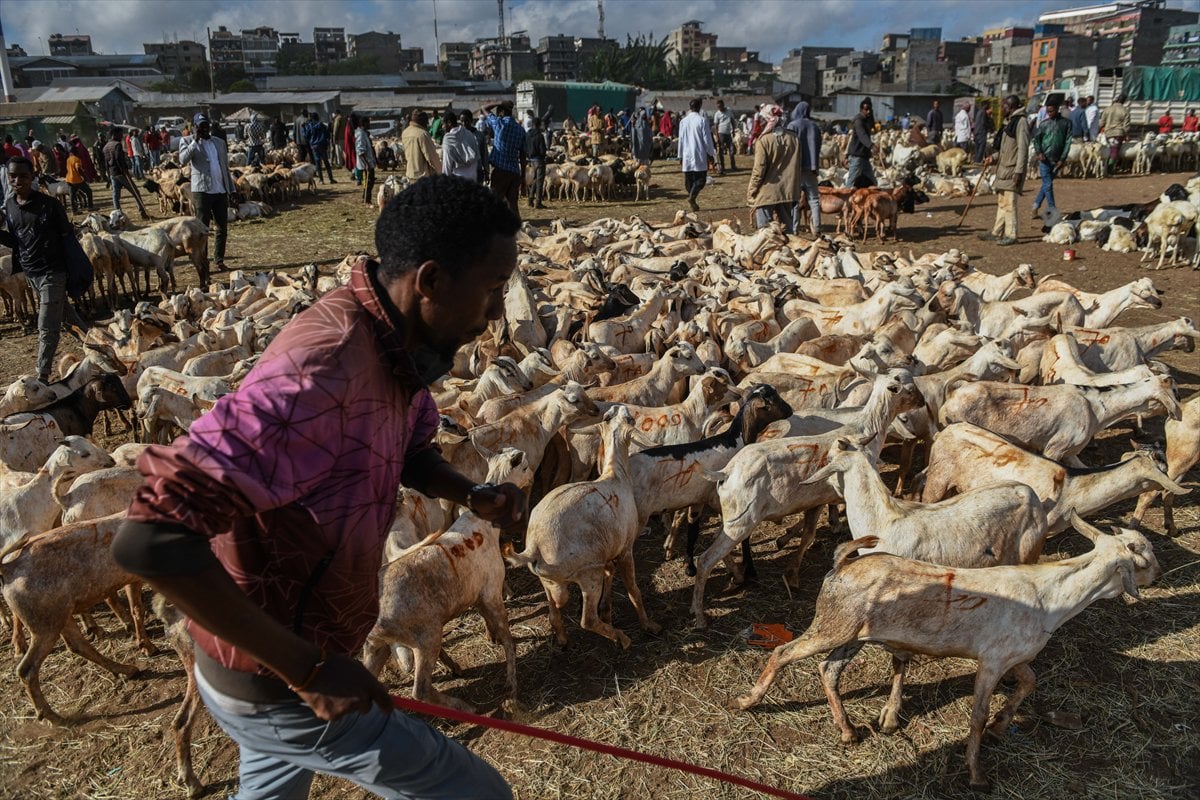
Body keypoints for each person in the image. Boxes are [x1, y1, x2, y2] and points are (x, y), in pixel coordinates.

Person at [110, 175, 522, 800]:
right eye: (493, 292)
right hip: (281, 687)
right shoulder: (324, 369)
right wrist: (307, 671)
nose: (497, 316)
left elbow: (407, 450)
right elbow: (149, 540)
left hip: (284, 668)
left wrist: (469, 494)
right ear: (431, 281)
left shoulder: (396, 344)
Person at [0, 157, 87, 380]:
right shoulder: (10, 205)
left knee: (47, 326)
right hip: (31, 274)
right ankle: (100, 349)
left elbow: (68, 238)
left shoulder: (49, 206)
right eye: (13, 176)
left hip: (53, 272)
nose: (18, 180)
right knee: (69, 320)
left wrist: (75, 270)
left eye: (23, 176)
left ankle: (42, 376)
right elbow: (17, 241)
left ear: (33, 177)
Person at [179, 113, 234, 284]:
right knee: (203, 230)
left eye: (205, 125)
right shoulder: (188, 141)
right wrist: (195, 140)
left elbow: (224, 166)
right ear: (194, 126)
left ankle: (219, 259)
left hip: (220, 189)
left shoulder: (219, 142)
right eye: (200, 126)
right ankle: (203, 262)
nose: (204, 128)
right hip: (202, 191)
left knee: (222, 227)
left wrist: (230, 187)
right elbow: (182, 160)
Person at [979, 95, 1029, 247]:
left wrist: (1018, 172)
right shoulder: (1010, 122)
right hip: (1003, 169)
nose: (1002, 109)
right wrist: (992, 158)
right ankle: (996, 232)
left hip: (1012, 170)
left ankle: (1011, 234)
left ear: (1011, 106)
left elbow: (1023, 149)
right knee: (1002, 202)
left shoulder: (1021, 122)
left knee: (1010, 203)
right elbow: (1005, 150)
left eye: (1004, 106)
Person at [746, 104, 799, 233]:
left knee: (765, 232)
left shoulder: (763, 141)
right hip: (787, 190)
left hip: (767, 191)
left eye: (763, 119)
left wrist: (752, 190)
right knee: (787, 230)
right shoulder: (794, 138)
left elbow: (759, 170)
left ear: (768, 119)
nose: (761, 123)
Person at [481, 100, 526, 219]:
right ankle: (516, 230)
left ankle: (493, 231)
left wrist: (499, 101)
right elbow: (522, 154)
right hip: (514, 172)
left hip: (500, 170)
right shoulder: (520, 130)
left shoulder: (498, 123)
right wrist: (523, 176)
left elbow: (484, 108)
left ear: (501, 112)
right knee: (513, 204)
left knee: (495, 202)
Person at [787, 101, 823, 235]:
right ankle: (817, 228)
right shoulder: (814, 126)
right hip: (811, 168)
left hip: (796, 168)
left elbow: (789, 145)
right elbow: (818, 146)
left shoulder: (792, 125)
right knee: (814, 200)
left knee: (795, 200)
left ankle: (794, 229)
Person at [1031, 101, 1071, 222]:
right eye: (1047, 111)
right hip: (1044, 159)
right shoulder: (1044, 124)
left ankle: (1035, 206)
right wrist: (1039, 153)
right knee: (1048, 185)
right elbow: (1036, 140)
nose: (1049, 114)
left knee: (1046, 185)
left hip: (1057, 159)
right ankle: (1052, 211)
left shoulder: (1066, 123)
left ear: (1057, 109)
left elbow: (1068, 141)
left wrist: (1062, 159)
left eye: (1051, 111)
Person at [678, 97, 715, 212]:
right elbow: (707, 139)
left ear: (690, 107)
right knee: (701, 179)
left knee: (689, 180)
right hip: (699, 152)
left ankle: (692, 198)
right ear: (699, 107)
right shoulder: (702, 120)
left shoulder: (683, 121)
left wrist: (680, 155)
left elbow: (681, 139)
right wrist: (710, 153)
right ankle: (692, 198)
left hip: (687, 153)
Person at [845, 99, 877, 187]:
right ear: (861, 109)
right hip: (857, 156)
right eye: (866, 109)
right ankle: (846, 198)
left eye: (869, 109)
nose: (868, 111)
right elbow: (862, 135)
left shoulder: (866, 120)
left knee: (872, 181)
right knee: (851, 181)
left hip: (864, 156)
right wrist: (871, 145)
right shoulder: (858, 120)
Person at [402, 110, 442, 181]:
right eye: (426, 122)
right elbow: (431, 157)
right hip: (423, 178)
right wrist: (441, 172)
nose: (427, 125)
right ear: (422, 122)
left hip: (410, 174)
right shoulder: (422, 134)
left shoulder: (405, 132)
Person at [440, 111, 479, 182]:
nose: (442, 127)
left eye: (443, 124)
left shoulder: (448, 138)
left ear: (449, 123)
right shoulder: (469, 133)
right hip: (473, 179)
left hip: (458, 182)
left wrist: (444, 182)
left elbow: (447, 164)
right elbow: (476, 157)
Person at [103, 128, 134, 212]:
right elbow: (118, 159)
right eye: (120, 134)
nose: (121, 136)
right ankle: (142, 212)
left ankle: (118, 212)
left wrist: (109, 175)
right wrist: (124, 170)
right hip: (121, 172)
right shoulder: (117, 145)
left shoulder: (105, 146)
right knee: (135, 192)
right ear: (114, 134)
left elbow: (106, 163)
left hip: (113, 173)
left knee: (115, 195)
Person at [1100, 95, 1130, 173]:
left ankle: (1103, 168)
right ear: (1124, 101)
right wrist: (1127, 134)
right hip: (1118, 133)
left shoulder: (1107, 109)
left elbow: (1102, 122)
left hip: (1107, 133)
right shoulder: (1125, 111)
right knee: (1114, 151)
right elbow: (1126, 125)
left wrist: (1097, 131)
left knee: (1106, 150)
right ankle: (1109, 169)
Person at [305, 113, 335, 184]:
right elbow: (328, 135)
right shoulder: (322, 125)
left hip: (314, 146)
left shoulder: (310, 126)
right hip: (322, 145)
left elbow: (306, 135)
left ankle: (321, 180)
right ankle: (331, 179)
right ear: (318, 117)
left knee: (318, 163)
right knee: (326, 162)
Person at [525, 114, 547, 209]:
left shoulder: (528, 134)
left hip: (531, 160)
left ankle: (530, 200)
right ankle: (538, 202)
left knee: (534, 180)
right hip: (539, 160)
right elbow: (542, 150)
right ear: (539, 124)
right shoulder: (540, 136)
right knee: (540, 182)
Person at [65, 144, 93, 214]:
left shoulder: (68, 159)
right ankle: (90, 207)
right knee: (88, 191)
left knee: (72, 196)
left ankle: (74, 211)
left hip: (69, 179)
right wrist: (84, 177)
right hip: (77, 180)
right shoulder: (77, 159)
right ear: (77, 152)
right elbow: (78, 168)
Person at [355, 116, 376, 206]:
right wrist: (366, 163)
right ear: (364, 124)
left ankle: (366, 198)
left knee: (370, 181)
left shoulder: (364, 133)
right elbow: (360, 151)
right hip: (365, 164)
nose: (369, 125)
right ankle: (366, 200)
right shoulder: (361, 134)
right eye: (368, 123)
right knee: (368, 181)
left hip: (369, 162)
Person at [713, 99, 735, 174]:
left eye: (720, 106)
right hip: (721, 133)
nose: (720, 108)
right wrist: (717, 136)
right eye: (718, 107)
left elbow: (732, 120)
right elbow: (716, 126)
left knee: (731, 150)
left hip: (728, 133)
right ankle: (722, 167)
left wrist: (734, 130)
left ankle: (733, 165)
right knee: (721, 151)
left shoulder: (729, 111)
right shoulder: (717, 114)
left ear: (723, 105)